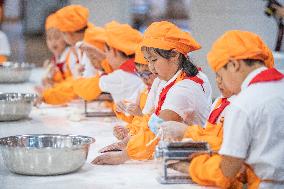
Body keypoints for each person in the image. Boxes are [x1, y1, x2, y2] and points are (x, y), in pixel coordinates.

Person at [92, 21, 212, 165]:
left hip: (193, 157)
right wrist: (129, 138)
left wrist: (124, 155)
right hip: (172, 149)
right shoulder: (163, 79)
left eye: (154, 60)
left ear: (174, 55)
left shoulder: (185, 89)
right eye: (148, 60)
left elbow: (157, 130)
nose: (150, 67)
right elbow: (150, 119)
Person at [207, 30, 283, 189]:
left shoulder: (243, 103)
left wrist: (193, 167)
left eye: (221, 74)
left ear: (234, 65)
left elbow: (228, 170)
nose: (223, 83)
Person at [37, 5, 91, 105]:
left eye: (59, 36)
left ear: (69, 34)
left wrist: (48, 95)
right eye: (49, 38)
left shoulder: (80, 51)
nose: (53, 42)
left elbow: (76, 83)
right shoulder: (77, 48)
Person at [41, 13, 69, 87]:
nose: (53, 42)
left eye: (57, 37)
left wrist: (54, 84)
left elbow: (73, 82)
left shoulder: (70, 55)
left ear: (66, 37)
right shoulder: (55, 59)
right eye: (49, 38)